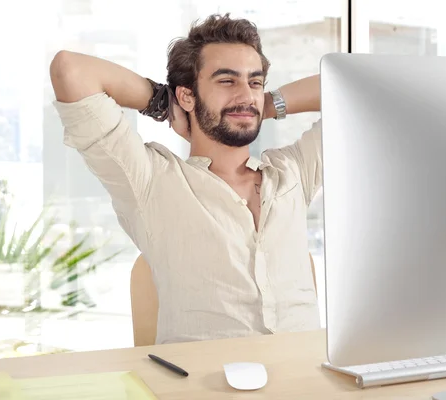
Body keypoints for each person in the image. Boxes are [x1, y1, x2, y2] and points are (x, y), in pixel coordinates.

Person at [49, 13, 323, 344]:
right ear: (187, 96)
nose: (245, 93)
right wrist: (162, 102)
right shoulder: (152, 182)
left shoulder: (293, 171)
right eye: (226, 81)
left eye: (254, 81)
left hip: (307, 381)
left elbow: (351, 89)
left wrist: (262, 104)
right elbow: (71, 70)